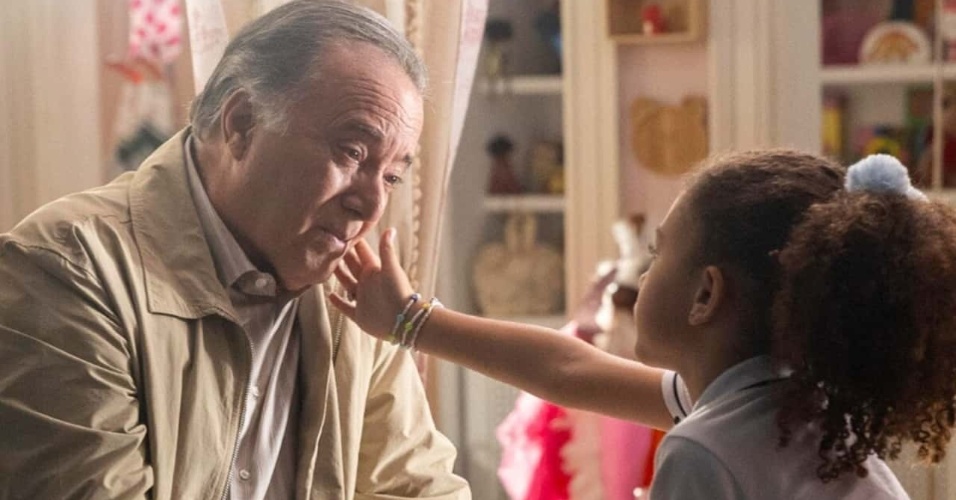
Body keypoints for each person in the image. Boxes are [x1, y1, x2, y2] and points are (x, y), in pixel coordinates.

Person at [0, 1, 469, 499]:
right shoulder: (67, 269)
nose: (372, 205)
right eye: (351, 152)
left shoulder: (355, 297)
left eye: (392, 176)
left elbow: (418, 487)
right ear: (242, 123)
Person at [333, 150, 956, 498]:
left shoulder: (705, 449)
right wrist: (411, 321)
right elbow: (569, 370)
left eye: (658, 254)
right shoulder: (794, 408)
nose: (645, 272)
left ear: (705, 294)